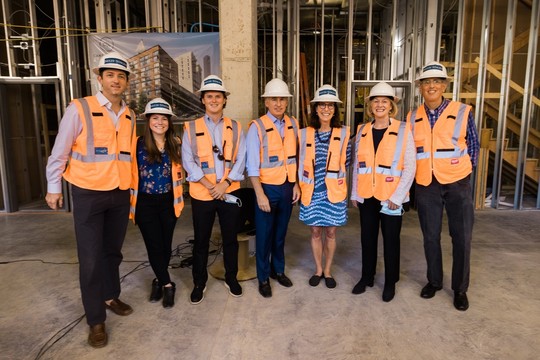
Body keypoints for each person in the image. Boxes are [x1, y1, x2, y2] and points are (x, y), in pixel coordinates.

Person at [45, 51, 135, 348]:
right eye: (110, 75)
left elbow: (128, 158)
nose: (116, 80)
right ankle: (96, 319)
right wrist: (53, 186)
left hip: (119, 192)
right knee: (91, 259)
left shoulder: (130, 114)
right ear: (100, 78)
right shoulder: (79, 108)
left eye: (121, 76)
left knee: (112, 252)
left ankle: (110, 297)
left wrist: (131, 192)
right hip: (88, 193)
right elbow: (61, 149)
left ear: (126, 82)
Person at [407, 61, 479, 311]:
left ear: (445, 85)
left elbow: (473, 145)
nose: (432, 86)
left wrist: (465, 176)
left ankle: (460, 289)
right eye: (427, 82)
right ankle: (434, 281)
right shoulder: (413, 116)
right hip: (427, 184)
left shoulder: (462, 111)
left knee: (461, 237)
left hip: (457, 183)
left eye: (436, 81)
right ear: (420, 87)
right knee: (430, 236)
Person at [182, 75, 246, 305]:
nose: (214, 100)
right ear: (203, 100)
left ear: (224, 100)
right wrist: (211, 186)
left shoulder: (237, 127)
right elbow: (188, 162)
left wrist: (224, 185)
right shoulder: (190, 128)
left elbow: (241, 159)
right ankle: (199, 282)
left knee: (230, 238)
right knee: (201, 240)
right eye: (209, 96)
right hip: (203, 194)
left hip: (228, 192)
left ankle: (232, 277)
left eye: (218, 96)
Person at [350, 82, 415, 302]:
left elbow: (410, 166)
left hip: (391, 198)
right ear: (370, 105)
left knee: (391, 241)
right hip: (367, 195)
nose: (379, 105)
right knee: (367, 239)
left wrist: (397, 198)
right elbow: (358, 166)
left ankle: (390, 282)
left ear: (391, 106)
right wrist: (355, 193)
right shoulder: (362, 130)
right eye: (376, 101)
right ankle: (366, 277)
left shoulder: (404, 129)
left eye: (384, 101)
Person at [246, 78, 301, 298]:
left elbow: (296, 156)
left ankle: (278, 270)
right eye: (273, 99)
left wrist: (296, 183)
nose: (278, 103)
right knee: (264, 236)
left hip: (287, 187)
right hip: (267, 189)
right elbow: (252, 167)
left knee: (280, 234)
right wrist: (260, 194)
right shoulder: (256, 127)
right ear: (266, 102)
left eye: (282, 99)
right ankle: (262, 278)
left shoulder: (294, 124)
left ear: (287, 102)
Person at [129, 98, 184, 309]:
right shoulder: (137, 144)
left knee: (166, 246)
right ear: (148, 120)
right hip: (145, 203)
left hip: (169, 202)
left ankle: (158, 280)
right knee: (154, 245)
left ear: (169, 121)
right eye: (155, 118)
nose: (159, 122)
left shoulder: (176, 143)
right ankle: (168, 285)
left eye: (163, 118)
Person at [298, 85, 350, 289]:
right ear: (316, 108)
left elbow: (347, 161)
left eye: (330, 105)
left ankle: (328, 271)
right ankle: (318, 269)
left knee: (330, 233)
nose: (326, 108)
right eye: (322, 104)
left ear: (336, 109)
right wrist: (297, 186)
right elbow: (299, 162)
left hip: (334, 193)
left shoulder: (345, 133)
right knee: (315, 233)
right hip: (312, 192)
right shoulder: (304, 134)